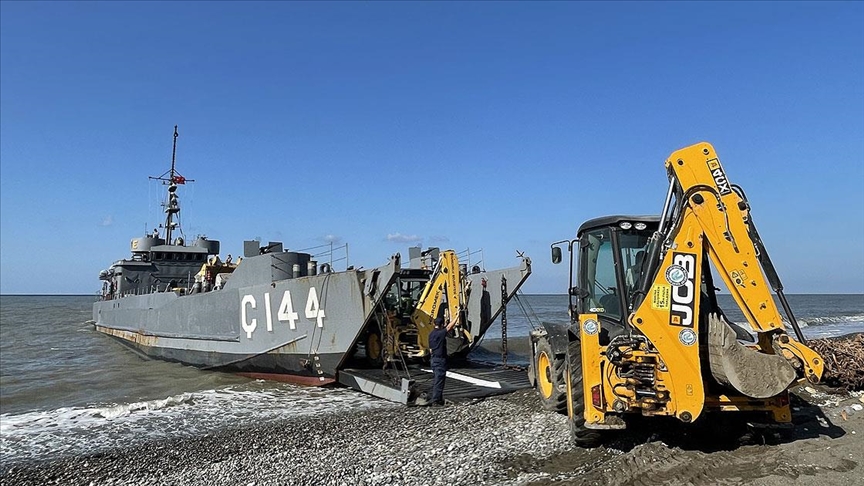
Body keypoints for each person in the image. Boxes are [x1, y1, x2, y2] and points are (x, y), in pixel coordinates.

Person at [428, 316, 456, 406]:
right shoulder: (440, 333)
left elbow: (431, 350)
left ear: (434, 324)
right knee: (439, 380)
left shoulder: (431, 334)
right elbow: (449, 327)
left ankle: (438, 398)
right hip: (440, 359)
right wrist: (457, 316)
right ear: (442, 324)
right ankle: (436, 400)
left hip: (433, 358)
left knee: (437, 379)